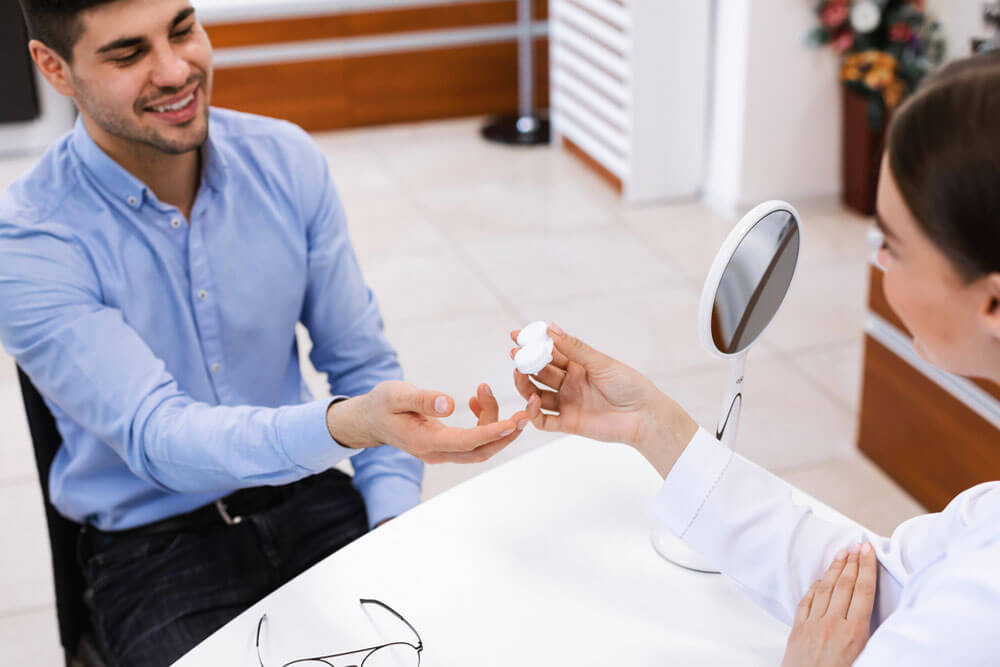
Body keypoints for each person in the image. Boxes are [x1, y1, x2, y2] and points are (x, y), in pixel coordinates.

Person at [0, 1, 536, 665]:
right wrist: (347, 425)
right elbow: (160, 436)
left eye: (182, 29)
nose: (176, 70)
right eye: (129, 53)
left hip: (309, 495)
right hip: (153, 550)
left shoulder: (284, 160)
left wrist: (396, 528)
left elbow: (361, 360)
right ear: (55, 68)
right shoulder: (29, 238)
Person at [499, 52, 1000, 666]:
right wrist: (651, 423)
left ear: (993, 302)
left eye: (892, 245)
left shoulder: (982, 613)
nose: (876, 261)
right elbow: (875, 585)